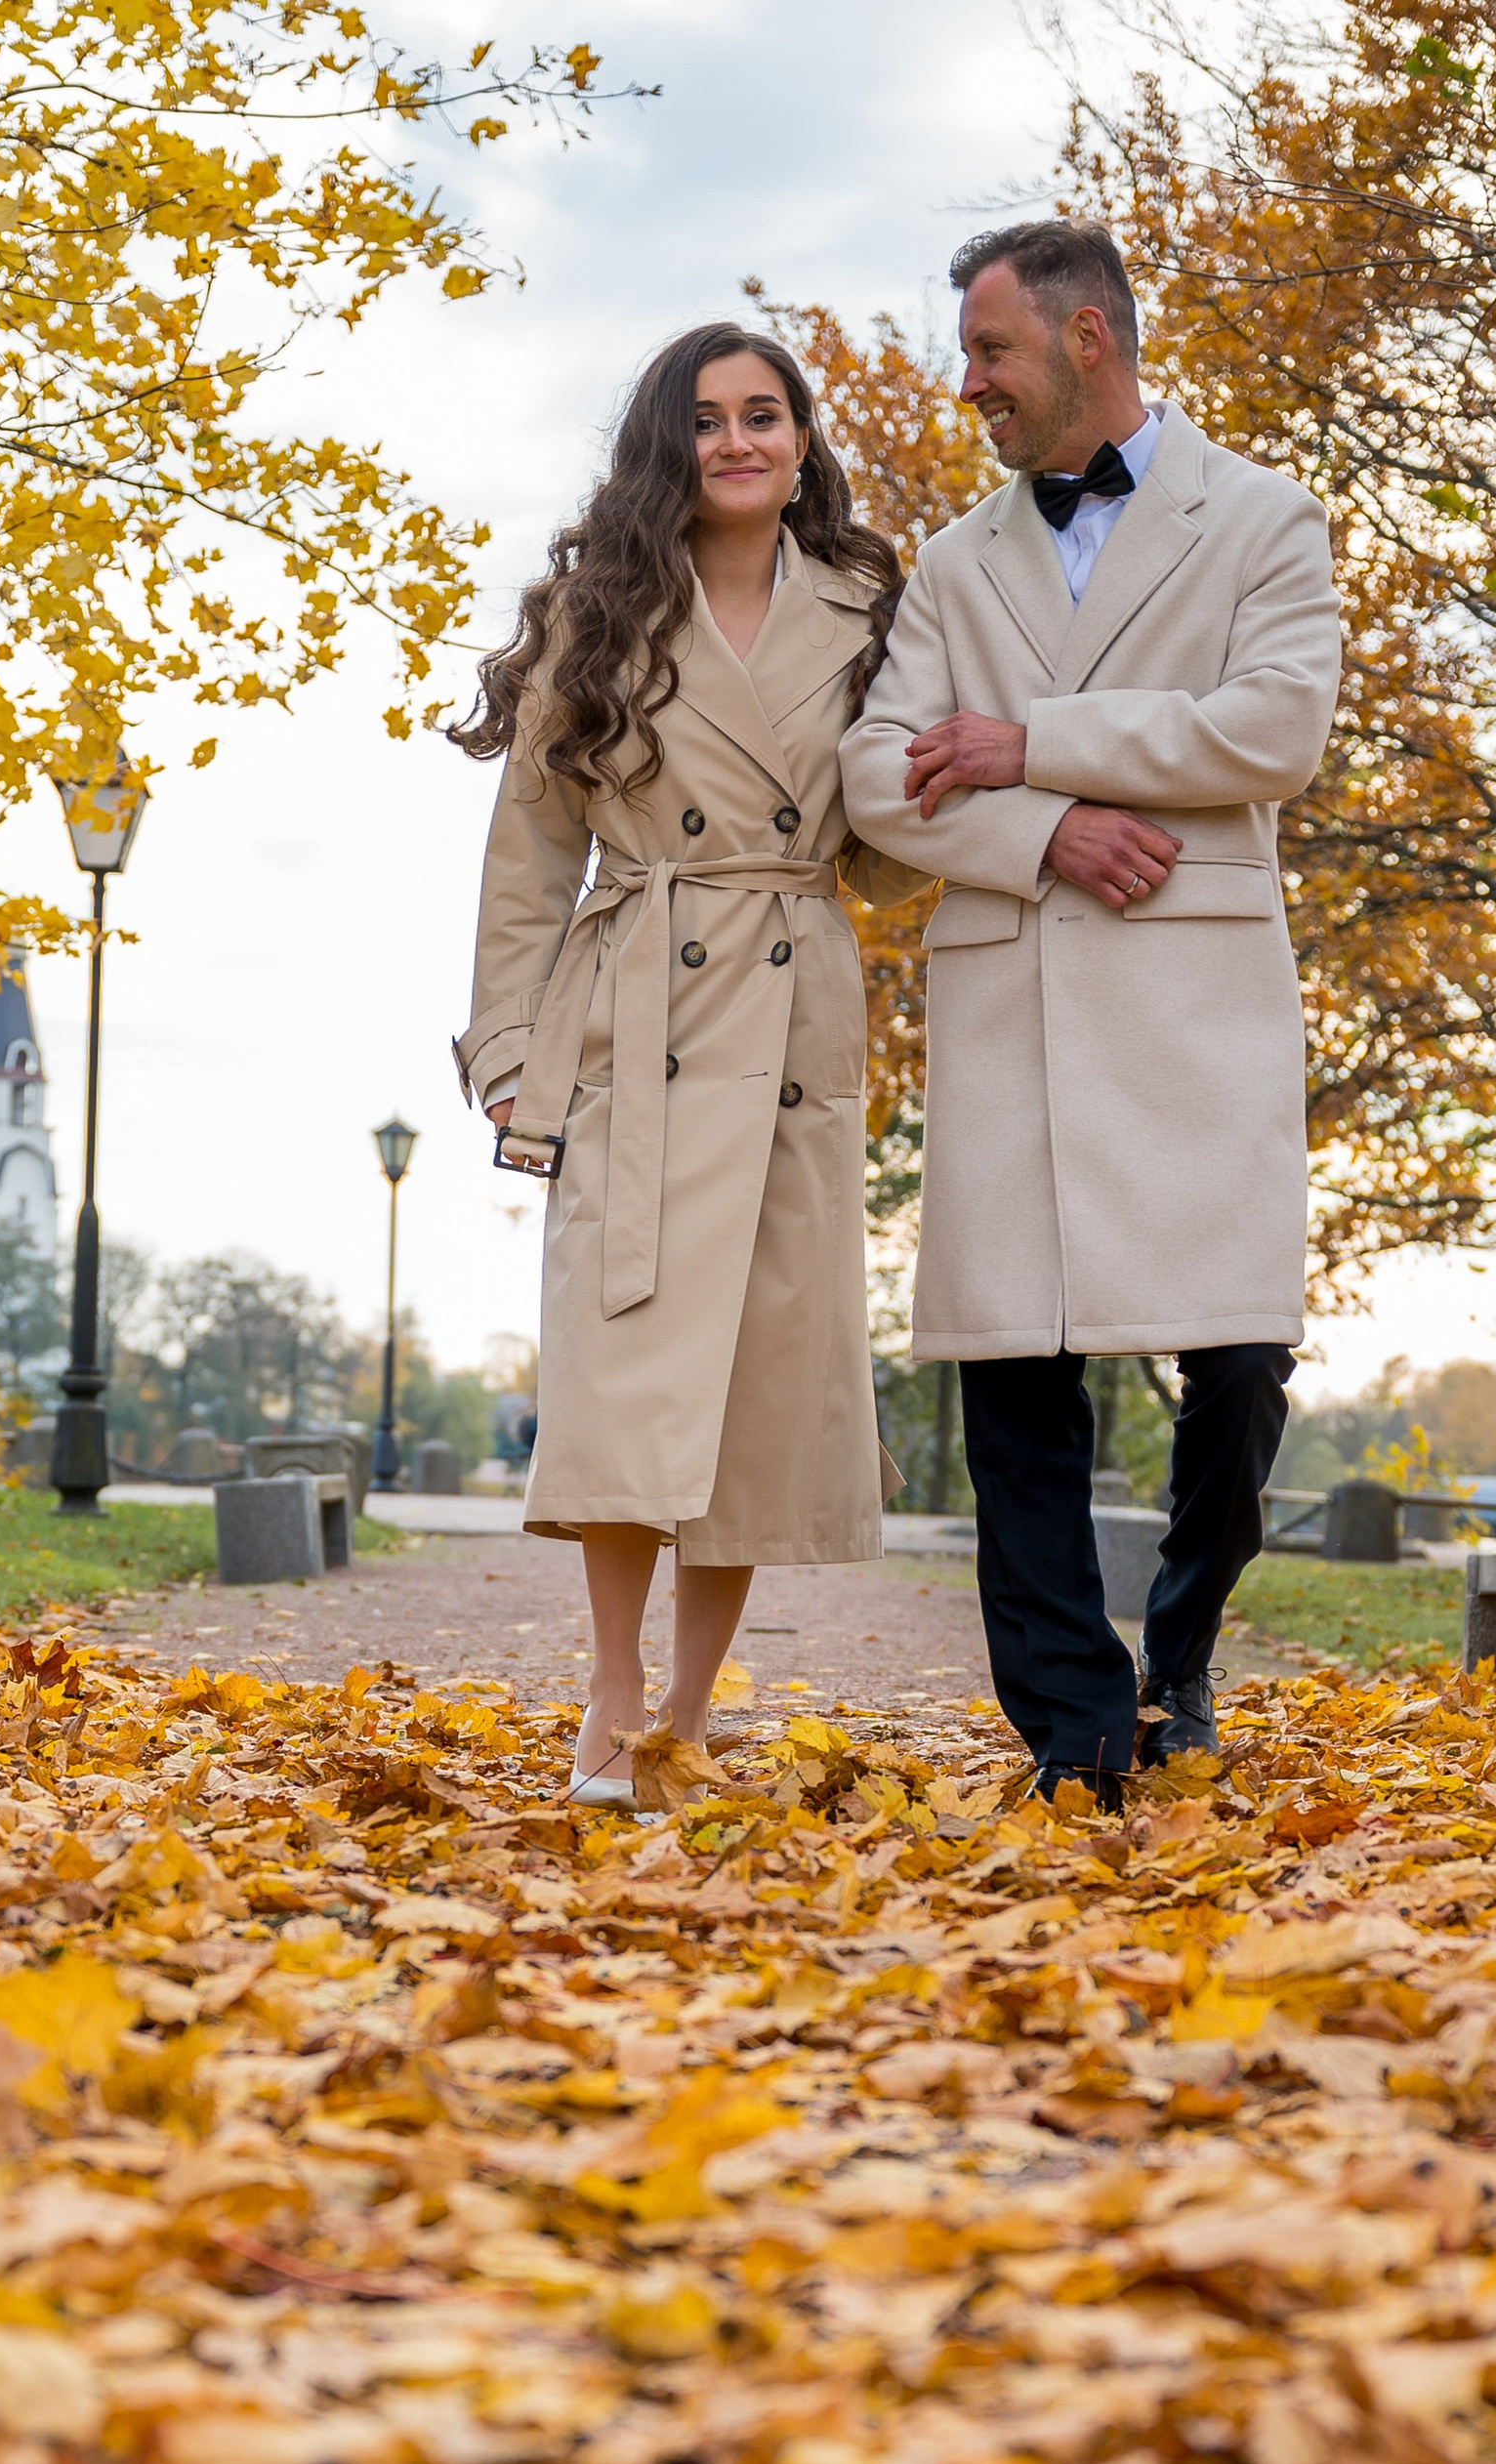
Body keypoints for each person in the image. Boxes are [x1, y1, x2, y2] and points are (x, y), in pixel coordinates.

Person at [841, 219, 1341, 1802]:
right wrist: (1043, 830)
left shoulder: (1266, 519)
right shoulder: (951, 562)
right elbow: (877, 775)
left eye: (991, 352)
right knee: (1016, 1382)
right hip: (1020, 1004)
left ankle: (1182, 1650)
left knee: (1244, 1363)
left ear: (1089, 340)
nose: (969, 383)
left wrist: (1033, 742)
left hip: (1198, 998)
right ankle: (1071, 1720)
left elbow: (1273, 729)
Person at [451, 323, 910, 1808]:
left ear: (799, 439)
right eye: (706, 420)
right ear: (670, 445)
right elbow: (531, 854)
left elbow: (891, 858)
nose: (737, 442)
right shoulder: (601, 612)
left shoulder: (869, 606)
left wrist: (976, 792)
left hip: (795, 1012)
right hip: (633, 1018)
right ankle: (608, 1685)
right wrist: (513, 1053)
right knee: (625, 1371)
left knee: (755, 1393)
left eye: (763, 415)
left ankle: (690, 1716)